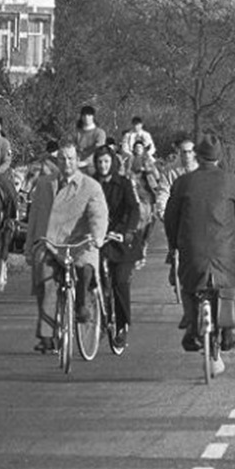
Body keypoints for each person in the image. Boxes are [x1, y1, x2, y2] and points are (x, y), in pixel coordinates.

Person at [163, 135, 235, 364]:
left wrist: (173, 244)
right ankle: (229, 329)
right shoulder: (232, 182)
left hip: (192, 250)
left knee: (189, 286)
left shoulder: (183, 183)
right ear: (219, 157)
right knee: (230, 283)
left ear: (198, 155)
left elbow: (170, 218)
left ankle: (192, 324)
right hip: (225, 249)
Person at [25, 142, 109, 354]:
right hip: (50, 242)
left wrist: (97, 237)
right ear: (57, 160)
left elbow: (98, 214)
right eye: (62, 158)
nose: (67, 163)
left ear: (77, 160)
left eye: (71, 158)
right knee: (46, 284)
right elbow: (34, 216)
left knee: (86, 268)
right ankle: (46, 336)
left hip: (80, 242)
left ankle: (82, 306)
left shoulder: (90, 186)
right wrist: (30, 245)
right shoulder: (44, 184)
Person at [93, 146, 142, 349]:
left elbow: (134, 209)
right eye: (99, 162)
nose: (103, 166)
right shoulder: (92, 184)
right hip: (99, 238)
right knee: (95, 281)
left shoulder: (123, 184)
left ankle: (122, 326)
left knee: (120, 282)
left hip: (121, 241)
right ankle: (97, 319)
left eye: (106, 161)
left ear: (112, 162)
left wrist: (127, 231)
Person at [128, 139, 169, 262]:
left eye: (140, 147)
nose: (138, 150)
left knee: (150, 222)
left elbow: (157, 176)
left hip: (148, 195)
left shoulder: (148, 160)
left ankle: (144, 243)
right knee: (137, 222)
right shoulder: (129, 160)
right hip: (135, 194)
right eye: (136, 148)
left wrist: (147, 170)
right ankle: (138, 247)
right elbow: (125, 173)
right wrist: (132, 176)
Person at [75, 105, 107, 174]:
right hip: (77, 164)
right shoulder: (76, 132)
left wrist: (86, 162)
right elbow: (72, 147)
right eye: (84, 115)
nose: (86, 118)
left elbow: (99, 150)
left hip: (94, 165)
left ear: (93, 116)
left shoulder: (99, 132)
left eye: (89, 115)